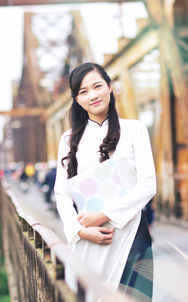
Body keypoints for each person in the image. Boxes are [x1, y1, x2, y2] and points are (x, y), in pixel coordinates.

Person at [54, 62, 156, 301]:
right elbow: (62, 193)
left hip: (132, 235)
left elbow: (148, 184)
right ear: (77, 100)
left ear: (110, 87)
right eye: (83, 91)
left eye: (97, 86)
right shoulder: (68, 139)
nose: (93, 95)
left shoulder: (135, 130)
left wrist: (104, 215)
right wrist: (79, 230)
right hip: (89, 239)